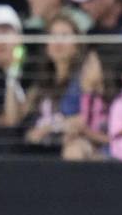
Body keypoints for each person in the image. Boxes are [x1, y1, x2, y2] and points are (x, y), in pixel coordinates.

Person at [24, 15, 87, 152]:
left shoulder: (84, 78)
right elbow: (26, 118)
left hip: (69, 145)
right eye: (53, 36)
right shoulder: (40, 84)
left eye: (64, 36)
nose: (58, 42)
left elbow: (87, 117)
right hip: (39, 149)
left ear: (77, 44)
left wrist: (49, 128)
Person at [0, 5, 28, 129]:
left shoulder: (35, 69)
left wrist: (13, 73)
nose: (0, 41)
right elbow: (6, 121)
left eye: (5, 31)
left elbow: (18, 117)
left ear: (19, 38)